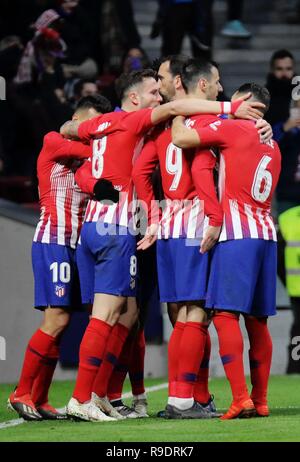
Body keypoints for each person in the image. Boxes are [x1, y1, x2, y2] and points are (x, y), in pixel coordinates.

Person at [60, 68, 258, 422]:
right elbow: (176, 117)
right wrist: (231, 109)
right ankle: (88, 397)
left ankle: (102, 394)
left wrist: (148, 214)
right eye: (154, 91)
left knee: (125, 315)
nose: (160, 97)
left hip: (101, 227)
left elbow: (68, 131)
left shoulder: (100, 124)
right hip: (134, 226)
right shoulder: (138, 122)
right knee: (153, 315)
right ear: (135, 98)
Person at [133, 59, 270, 419]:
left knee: (180, 316)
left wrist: (153, 215)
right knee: (197, 315)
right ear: (203, 85)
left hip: (168, 226)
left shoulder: (162, 126)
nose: (222, 87)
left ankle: (196, 397)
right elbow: (201, 168)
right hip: (197, 223)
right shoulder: (214, 123)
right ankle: (182, 400)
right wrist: (214, 215)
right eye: (218, 81)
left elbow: (139, 170)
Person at [172, 82, 281, 419]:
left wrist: (177, 112)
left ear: (244, 102)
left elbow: (182, 138)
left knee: (224, 314)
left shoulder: (233, 128)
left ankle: (240, 398)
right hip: (266, 234)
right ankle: (260, 400)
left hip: (237, 234)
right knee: (258, 321)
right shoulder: (273, 143)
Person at [8, 94, 112, 421]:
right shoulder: (54, 141)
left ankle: (39, 398)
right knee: (56, 319)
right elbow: (92, 151)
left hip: (75, 244)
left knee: (63, 322)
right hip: (52, 239)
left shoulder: (87, 161)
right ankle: (21, 392)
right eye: (92, 123)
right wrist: (109, 147)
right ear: (76, 120)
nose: (96, 131)